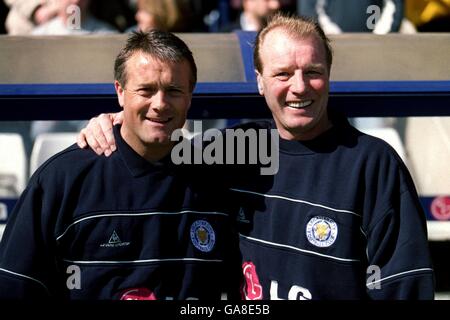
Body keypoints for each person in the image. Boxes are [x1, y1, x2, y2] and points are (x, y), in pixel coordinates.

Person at [76, 14, 434, 299]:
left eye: (313, 72)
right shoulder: (241, 147)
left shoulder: (372, 164)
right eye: (282, 74)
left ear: (329, 76)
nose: (299, 86)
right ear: (260, 82)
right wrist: (112, 121)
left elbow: (405, 285)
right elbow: (156, 147)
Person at [0, 30, 240, 300]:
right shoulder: (63, 180)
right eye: (146, 90)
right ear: (120, 92)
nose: (160, 104)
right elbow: (15, 287)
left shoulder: (218, 181)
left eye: (173, 91)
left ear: (190, 96)